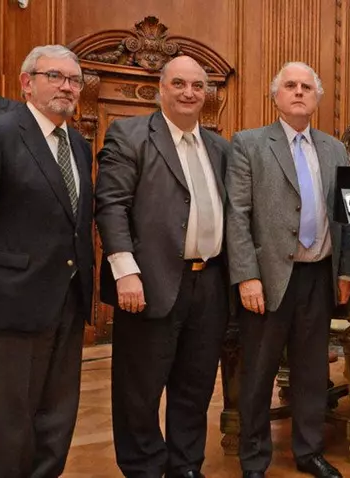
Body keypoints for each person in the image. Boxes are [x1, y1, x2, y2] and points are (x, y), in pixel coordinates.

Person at [95, 55, 231, 478]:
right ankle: (144, 468)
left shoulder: (219, 148)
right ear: (161, 87)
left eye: (197, 85)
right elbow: (111, 205)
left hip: (209, 284)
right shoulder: (131, 134)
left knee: (195, 386)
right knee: (139, 390)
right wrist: (125, 271)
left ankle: (186, 466)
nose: (189, 92)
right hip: (149, 282)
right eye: (179, 83)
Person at [226, 61, 350, 478]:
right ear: (276, 96)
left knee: (312, 372)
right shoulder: (248, 144)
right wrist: (246, 275)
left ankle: (309, 451)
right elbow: (237, 215)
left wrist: (346, 272)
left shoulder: (335, 149)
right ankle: (253, 459)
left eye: (306, 87)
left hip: (318, 276)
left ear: (317, 97)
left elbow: (346, 217)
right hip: (266, 279)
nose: (299, 92)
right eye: (290, 85)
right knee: (258, 373)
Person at [0, 44, 94, 478]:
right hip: (9, 304)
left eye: (74, 80)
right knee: (7, 421)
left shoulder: (78, 144)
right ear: (27, 83)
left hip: (67, 302)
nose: (67, 87)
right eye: (54, 76)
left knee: (56, 419)